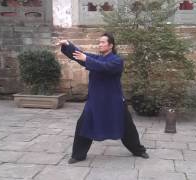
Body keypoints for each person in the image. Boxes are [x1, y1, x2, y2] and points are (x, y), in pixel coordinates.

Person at [58, 32, 149, 164]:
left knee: (127, 127)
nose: (99, 44)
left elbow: (104, 67)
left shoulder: (117, 60)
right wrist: (68, 45)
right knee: (83, 124)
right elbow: (80, 55)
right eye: (99, 42)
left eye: (102, 42)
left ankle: (138, 150)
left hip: (114, 101)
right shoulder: (97, 59)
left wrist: (86, 59)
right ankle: (78, 155)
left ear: (111, 45)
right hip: (95, 101)